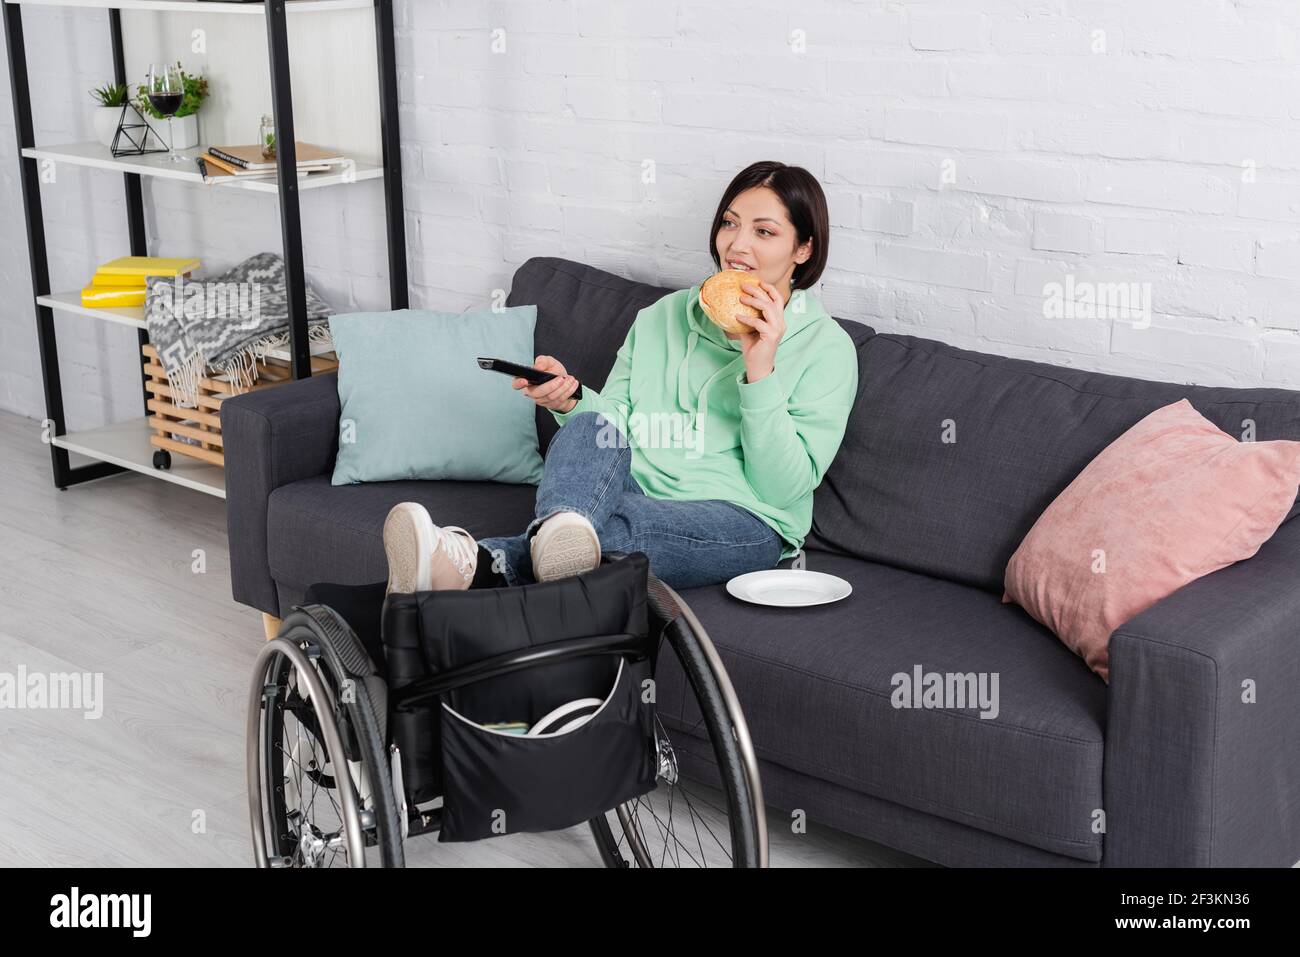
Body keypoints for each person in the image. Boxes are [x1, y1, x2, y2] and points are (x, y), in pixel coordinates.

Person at [383, 160, 859, 594]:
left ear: (803, 248)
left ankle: (469, 560)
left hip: (746, 521)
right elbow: (615, 428)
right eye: (730, 223)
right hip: (634, 484)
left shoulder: (828, 349)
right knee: (590, 434)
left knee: (607, 528)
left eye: (764, 231)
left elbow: (781, 489)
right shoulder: (664, 316)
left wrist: (760, 369)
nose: (737, 244)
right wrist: (567, 402)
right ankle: (561, 532)